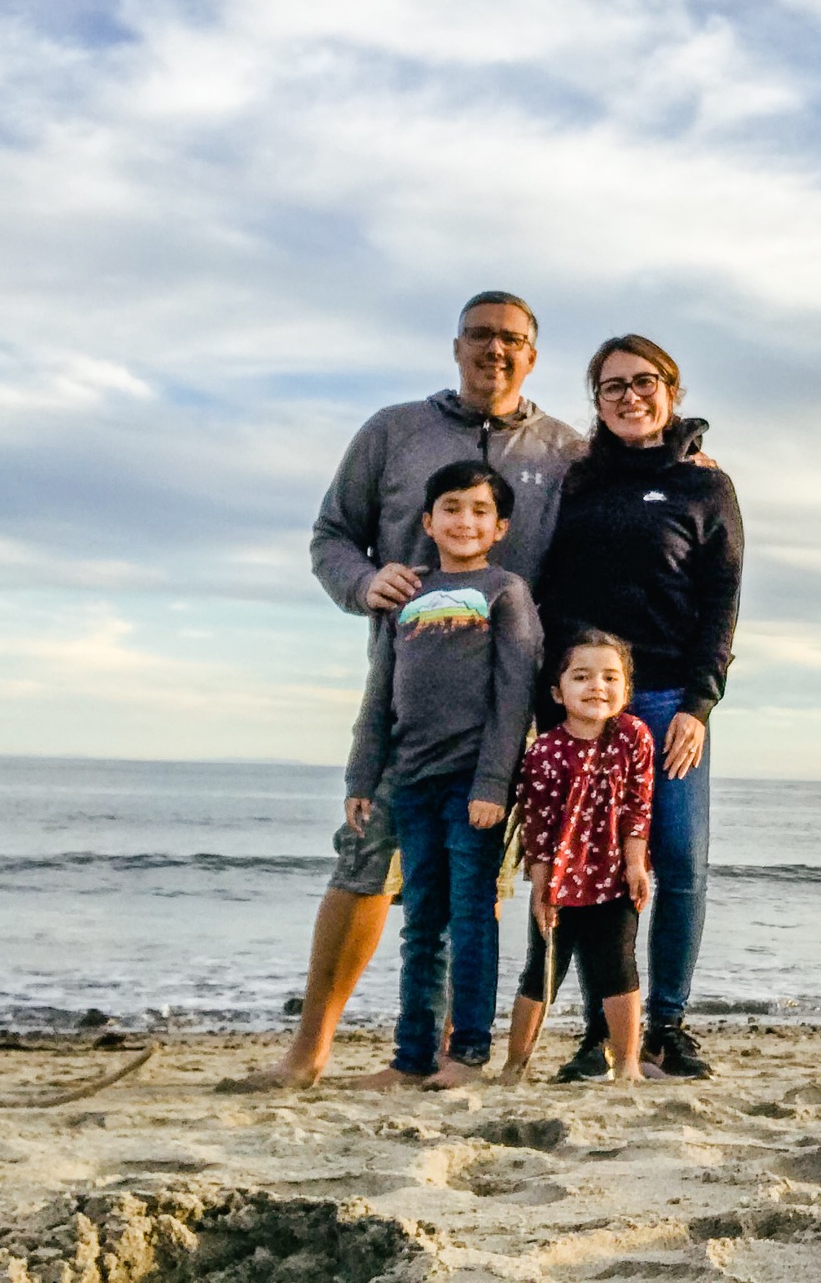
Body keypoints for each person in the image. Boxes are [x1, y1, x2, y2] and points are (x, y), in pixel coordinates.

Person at [232, 293, 584, 1092]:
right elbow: (330, 536)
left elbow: (621, 505)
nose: (495, 349)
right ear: (456, 345)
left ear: (533, 356)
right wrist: (365, 583)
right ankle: (309, 1051)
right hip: (405, 704)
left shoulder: (565, 449)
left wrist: (692, 457)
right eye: (480, 335)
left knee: (473, 891)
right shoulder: (393, 432)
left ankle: (453, 1056)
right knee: (364, 865)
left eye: (513, 339)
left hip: (506, 715)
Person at [535, 335, 744, 1080]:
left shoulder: (705, 487)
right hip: (587, 702)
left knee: (680, 860)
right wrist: (554, 701)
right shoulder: (576, 481)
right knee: (593, 869)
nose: (630, 396)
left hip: (666, 701)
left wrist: (699, 703)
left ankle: (667, 1028)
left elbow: (721, 601)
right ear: (596, 401)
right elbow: (548, 586)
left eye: (644, 381)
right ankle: (601, 1030)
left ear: (671, 390)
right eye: (612, 386)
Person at [346, 461, 542, 1089]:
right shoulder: (408, 594)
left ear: (500, 527)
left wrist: (493, 784)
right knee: (421, 922)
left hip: (471, 785)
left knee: (471, 916)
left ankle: (469, 1055)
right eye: (451, 508)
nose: (465, 521)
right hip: (412, 781)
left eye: (480, 511)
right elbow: (380, 692)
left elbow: (515, 696)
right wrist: (361, 777)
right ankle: (412, 1058)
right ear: (428, 521)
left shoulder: (504, 591)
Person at [500, 631, 654, 1085]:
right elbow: (537, 830)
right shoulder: (545, 752)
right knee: (541, 972)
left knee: (619, 967)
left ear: (626, 689)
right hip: (560, 884)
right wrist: (541, 889)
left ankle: (626, 1064)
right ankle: (514, 1065)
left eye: (610, 677)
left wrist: (636, 864)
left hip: (615, 878)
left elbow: (638, 807)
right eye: (581, 677)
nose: (597, 687)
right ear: (557, 692)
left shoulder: (633, 736)